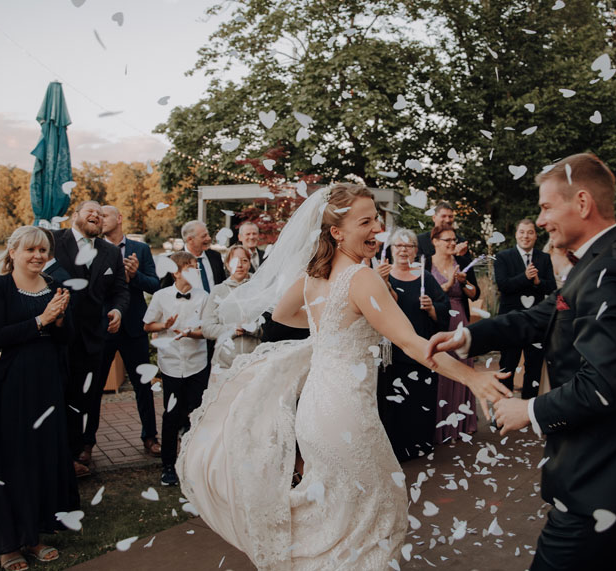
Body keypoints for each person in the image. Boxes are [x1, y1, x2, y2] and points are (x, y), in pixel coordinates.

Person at [176, 183, 509, 570]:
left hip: (316, 410)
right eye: (365, 222)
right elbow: (413, 344)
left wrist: (329, 334)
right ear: (336, 231)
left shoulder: (311, 278)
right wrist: (472, 378)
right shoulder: (361, 279)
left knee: (338, 511)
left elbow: (282, 319)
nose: (376, 231)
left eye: (376, 221)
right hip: (346, 412)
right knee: (379, 509)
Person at [428, 153, 616, 571]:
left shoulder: (609, 269)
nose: (539, 222)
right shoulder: (598, 261)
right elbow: (546, 315)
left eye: (546, 207)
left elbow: (599, 386)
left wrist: (528, 409)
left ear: (582, 203)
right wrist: (467, 337)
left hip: (601, 476)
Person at [0, 226, 78, 571]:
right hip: (6, 383)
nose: (37, 256)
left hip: (45, 383)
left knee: (40, 456)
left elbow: (65, 339)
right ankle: (7, 542)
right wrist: (42, 319)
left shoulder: (56, 287)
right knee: (8, 458)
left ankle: (33, 535)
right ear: (12, 251)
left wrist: (58, 320)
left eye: (43, 250)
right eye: (30, 249)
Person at [51, 200, 129, 474]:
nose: (95, 215)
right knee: (56, 394)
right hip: (56, 335)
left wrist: (118, 310)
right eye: (89, 211)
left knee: (87, 396)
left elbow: (120, 289)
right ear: (76, 216)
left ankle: (80, 448)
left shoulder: (109, 252)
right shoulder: (52, 240)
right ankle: (54, 453)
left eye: (99, 213)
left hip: (93, 337)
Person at [85, 206, 162, 458]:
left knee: (143, 385)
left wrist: (134, 275)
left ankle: (150, 437)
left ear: (119, 218)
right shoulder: (91, 249)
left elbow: (155, 285)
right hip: (103, 325)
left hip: (133, 327)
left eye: (104, 215)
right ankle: (86, 443)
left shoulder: (141, 249)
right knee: (94, 386)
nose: (99, 219)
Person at [378, 228, 450, 461]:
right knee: (396, 401)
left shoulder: (425, 277)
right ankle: (397, 448)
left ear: (416, 251)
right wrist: (384, 284)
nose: (403, 250)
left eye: (408, 246)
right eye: (398, 246)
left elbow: (445, 309)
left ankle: (421, 444)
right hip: (394, 352)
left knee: (421, 399)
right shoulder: (381, 277)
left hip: (421, 349)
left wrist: (431, 309)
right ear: (390, 250)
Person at [144, 251, 211, 487]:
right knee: (171, 416)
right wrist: (165, 325)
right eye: (191, 268)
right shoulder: (161, 296)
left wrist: (189, 333)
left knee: (196, 415)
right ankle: (168, 466)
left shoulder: (204, 297)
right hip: (171, 364)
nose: (196, 272)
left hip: (197, 364)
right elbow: (147, 325)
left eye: (197, 268)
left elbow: (208, 330)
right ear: (177, 271)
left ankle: (193, 464)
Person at [429, 222, 481, 443]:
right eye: (447, 240)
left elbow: (474, 293)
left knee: (460, 369)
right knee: (439, 369)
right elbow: (425, 293)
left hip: (459, 319)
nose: (452, 243)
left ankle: (461, 423)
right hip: (436, 320)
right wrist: (448, 283)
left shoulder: (462, 263)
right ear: (435, 242)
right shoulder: (425, 264)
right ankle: (438, 425)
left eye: (454, 240)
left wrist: (464, 282)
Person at [494, 218, 557, 398]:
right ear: (516, 234)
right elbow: (503, 285)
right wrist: (525, 277)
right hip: (510, 320)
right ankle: (502, 406)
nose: (525, 236)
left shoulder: (544, 258)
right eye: (522, 232)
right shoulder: (503, 257)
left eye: (530, 232)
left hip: (536, 321)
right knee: (507, 364)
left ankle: (528, 408)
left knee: (534, 366)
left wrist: (537, 282)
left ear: (536, 236)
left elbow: (551, 287)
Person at [201, 244, 261, 368]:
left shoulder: (259, 289)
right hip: (224, 362)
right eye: (234, 261)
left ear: (249, 264)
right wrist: (231, 330)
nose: (239, 265)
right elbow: (206, 328)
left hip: (255, 360)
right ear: (227, 265)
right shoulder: (218, 291)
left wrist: (253, 328)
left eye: (244, 261)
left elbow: (271, 325)